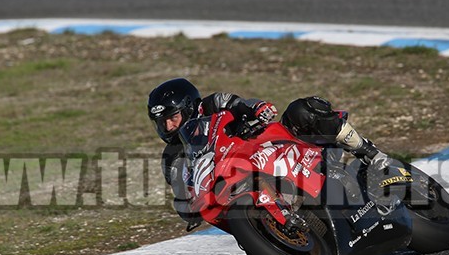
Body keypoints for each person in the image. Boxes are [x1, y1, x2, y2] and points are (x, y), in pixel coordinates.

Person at [147, 77, 390, 226]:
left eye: (172, 118)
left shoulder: (213, 103)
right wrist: (188, 206)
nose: (168, 126)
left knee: (302, 110)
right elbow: (181, 193)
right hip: (232, 186)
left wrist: (257, 109)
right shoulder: (172, 157)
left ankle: (369, 153)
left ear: (189, 107)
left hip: (266, 147)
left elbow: (242, 104)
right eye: (161, 122)